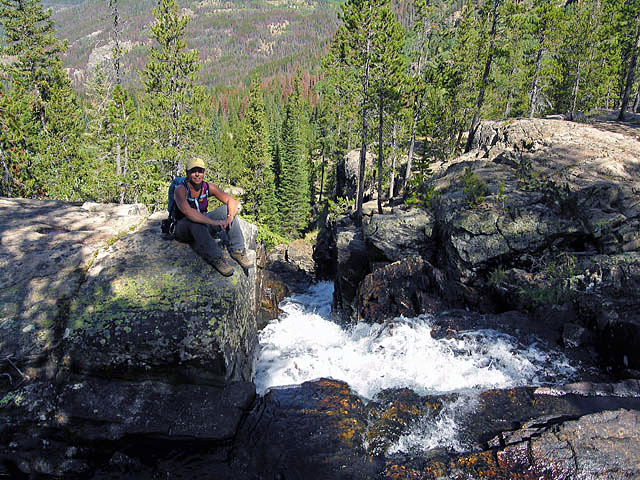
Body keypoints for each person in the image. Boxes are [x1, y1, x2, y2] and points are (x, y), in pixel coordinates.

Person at [173, 157, 252, 276]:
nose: (197, 174)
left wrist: (229, 217)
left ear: (204, 172)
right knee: (195, 221)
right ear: (187, 173)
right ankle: (216, 258)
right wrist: (213, 222)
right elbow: (188, 212)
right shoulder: (181, 189)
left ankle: (238, 250)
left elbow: (231, 201)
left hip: (202, 224)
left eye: (200, 171)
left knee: (226, 210)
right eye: (193, 171)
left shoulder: (208, 187)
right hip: (183, 228)